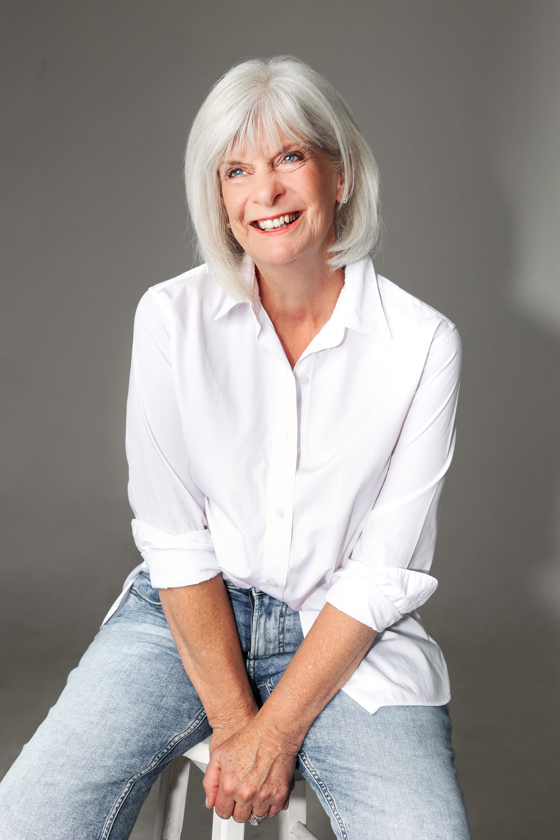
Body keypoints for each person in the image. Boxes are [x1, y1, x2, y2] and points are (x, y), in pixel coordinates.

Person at [0, 56, 471, 840]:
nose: (266, 192)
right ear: (217, 197)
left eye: (290, 157)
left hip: (345, 639)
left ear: (342, 173)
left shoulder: (423, 344)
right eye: (237, 170)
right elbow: (174, 536)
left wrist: (273, 733)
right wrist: (235, 723)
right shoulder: (169, 319)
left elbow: (383, 570)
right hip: (183, 622)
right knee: (26, 821)